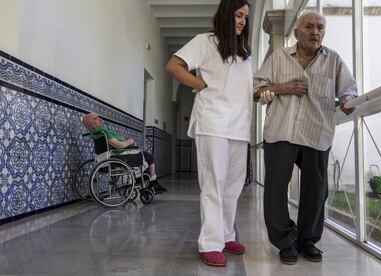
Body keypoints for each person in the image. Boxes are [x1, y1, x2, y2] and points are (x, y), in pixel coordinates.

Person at [253, 11, 357, 265]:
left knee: (316, 190)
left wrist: (347, 101)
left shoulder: (334, 60)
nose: (315, 32)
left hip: (316, 131)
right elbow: (256, 90)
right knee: (276, 189)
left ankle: (307, 240)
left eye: (320, 27)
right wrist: (280, 88)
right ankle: (286, 242)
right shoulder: (278, 58)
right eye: (309, 27)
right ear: (297, 32)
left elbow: (349, 91)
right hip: (281, 131)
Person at [165, 0, 252, 267]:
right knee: (214, 183)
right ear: (226, 14)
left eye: (246, 18)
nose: (242, 21)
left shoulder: (244, 52)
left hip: (240, 126)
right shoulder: (205, 41)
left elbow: (242, 89)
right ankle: (210, 243)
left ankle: (226, 236)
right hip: (213, 122)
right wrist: (200, 83)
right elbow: (174, 66)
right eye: (238, 15)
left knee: (233, 186)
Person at [81, 112, 167, 194]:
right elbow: (120, 145)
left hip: (104, 159)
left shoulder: (95, 134)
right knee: (149, 157)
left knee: (144, 157)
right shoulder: (104, 132)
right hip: (116, 158)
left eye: (99, 117)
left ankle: (146, 180)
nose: (100, 119)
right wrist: (130, 141)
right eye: (96, 118)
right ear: (90, 124)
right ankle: (153, 182)